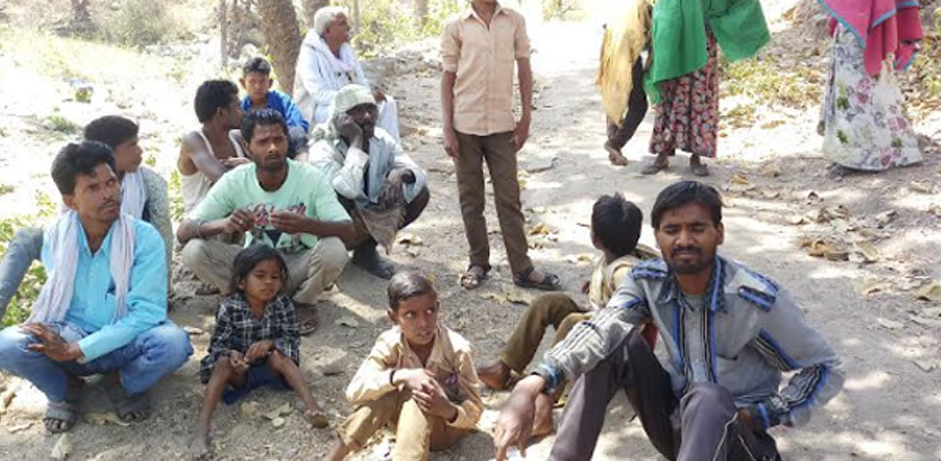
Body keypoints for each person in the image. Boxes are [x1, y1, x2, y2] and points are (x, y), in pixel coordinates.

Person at [493, 181, 844, 461]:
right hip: (677, 431)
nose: (684, 240)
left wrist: (762, 415)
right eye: (672, 230)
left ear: (719, 233)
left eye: (697, 228)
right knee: (616, 345)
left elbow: (825, 367)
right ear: (657, 237)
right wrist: (531, 385)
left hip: (739, 445)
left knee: (707, 398)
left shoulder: (753, 301)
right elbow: (601, 329)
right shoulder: (648, 281)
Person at [0, 141, 192, 434]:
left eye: (111, 182)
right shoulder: (59, 235)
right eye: (93, 188)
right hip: (67, 335)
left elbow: (147, 314)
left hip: (122, 343)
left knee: (173, 343)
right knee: (6, 345)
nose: (109, 194)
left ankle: (121, 382)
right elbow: (54, 304)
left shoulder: (142, 238)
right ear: (70, 200)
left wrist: (78, 348)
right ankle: (66, 389)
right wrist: (65, 343)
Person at [0, 116, 174, 362]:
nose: (140, 151)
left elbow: (163, 233)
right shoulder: (76, 181)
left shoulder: (151, 183)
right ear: (111, 153)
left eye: (110, 184)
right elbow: (69, 232)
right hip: (91, 254)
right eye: (131, 145)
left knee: (169, 341)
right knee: (27, 238)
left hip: (134, 258)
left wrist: (160, 288)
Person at [475, 194, 658, 438]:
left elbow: (637, 317)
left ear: (596, 239)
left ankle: (544, 402)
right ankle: (505, 366)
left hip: (621, 344)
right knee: (548, 302)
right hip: (600, 324)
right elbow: (609, 283)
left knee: (574, 322)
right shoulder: (618, 257)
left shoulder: (625, 272)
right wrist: (594, 285)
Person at [440, 0, 559, 292]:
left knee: (509, 197)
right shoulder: (456, 27)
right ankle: (478, 262)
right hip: (465, 127)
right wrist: (448, 129)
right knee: (471, 198)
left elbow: (524, 69)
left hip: (502, 127)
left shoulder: (514, 21)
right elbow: (448, 79)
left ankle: (522, 268)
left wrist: (525, 119)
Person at [176, 109, 354, 335]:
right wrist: (223, 224)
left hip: (297, 266)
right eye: (263, 142)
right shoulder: (235, 180)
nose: (273, 148)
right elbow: (183, 232)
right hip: (252, 268)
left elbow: (347, 231)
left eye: (278, 140)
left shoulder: (311, 177)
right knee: (194, 251)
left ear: (287, 142)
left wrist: (306, 225)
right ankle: (245, 298)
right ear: (248, 148)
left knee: (334, 249)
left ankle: (301, 303)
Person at [641, 0, 769, 177]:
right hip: (677, 47)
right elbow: (663, 12)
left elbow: (747, 2)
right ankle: (662, 154)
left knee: (700, 99)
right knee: (671, 97)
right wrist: (664, 36)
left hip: (704, 48)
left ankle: (697, 157)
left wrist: (720, 23)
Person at [806, 0, 923, 177]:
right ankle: (896, 149)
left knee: (853, 94)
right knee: (877, 92)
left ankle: (856, 156)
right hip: (875, 34)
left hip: (854, 34)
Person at [323, 273, 482, 461]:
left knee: (421, 393)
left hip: (445, 428)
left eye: (430, 311)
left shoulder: (457, 349)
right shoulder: (390, 343)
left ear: (438, 308)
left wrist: (447, 409)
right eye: (411, 315)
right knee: (391, 392)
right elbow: (354, 392)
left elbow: (476, 410)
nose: (423, 323)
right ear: (393, 317)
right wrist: (400, 376)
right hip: (404, 424)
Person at [191, 244, 327, 459]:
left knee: (280, 356)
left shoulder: (282, 303)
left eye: (275, 277)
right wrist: (234, 355)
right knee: (222, 364)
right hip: (240, 372)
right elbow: (218, 345)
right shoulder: (230, 306)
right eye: (260, 276)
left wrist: (271, 343)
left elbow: (292, 337)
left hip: (272, 368)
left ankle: (312, 407)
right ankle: (202, 431)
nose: (269, 283)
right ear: (242, 282)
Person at [309, 85, 430, 279]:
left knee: (420, 192)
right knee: (341, 196)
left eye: (370, 109)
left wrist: (401, 173)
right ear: (341, 119)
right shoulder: (322, 148)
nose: (367, 117)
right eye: (357, 111)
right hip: (334, 224)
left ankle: (365, 253)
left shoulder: (382, 139)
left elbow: (420, 173)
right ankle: (329, 260)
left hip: (365, 211)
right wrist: (356, 141)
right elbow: (346, 189)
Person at [294, 6, 401, 141]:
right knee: (343, 113)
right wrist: (352, 100)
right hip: (322, 108)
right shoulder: (309, 53)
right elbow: (319, 94)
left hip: (353, 102)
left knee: (386, 103)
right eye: (342, 24)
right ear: (327, 30)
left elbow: (361, 82)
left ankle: (389, 151)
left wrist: (367, 97)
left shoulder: (345, 50)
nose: (348, 28)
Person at [596, 0, 653, 166]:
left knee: (614, 102)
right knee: (639, 105)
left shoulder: (617, 10)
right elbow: (653, 38)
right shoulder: (644, 7)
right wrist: (649, 68)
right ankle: (615, 143)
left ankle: (614, 151)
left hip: (609, 59)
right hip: (628, 61)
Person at [179, 80, 249, 214]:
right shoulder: (193, 141)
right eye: (238, 107)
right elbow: (223, 178)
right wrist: (250, 168)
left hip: (236, 225)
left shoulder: (237, 138)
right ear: (221, 112)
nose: (243, 112)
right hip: (201, 228)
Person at [240, 57, 310, 158]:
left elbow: (298, 124)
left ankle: (303, 165)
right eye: (252, 82)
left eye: (262, 81)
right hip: (256, 150)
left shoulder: (282, 101)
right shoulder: (241, 108)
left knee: (297, 132)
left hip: (283, 145)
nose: (257, 86)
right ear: (243, 83)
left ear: (270, 83)